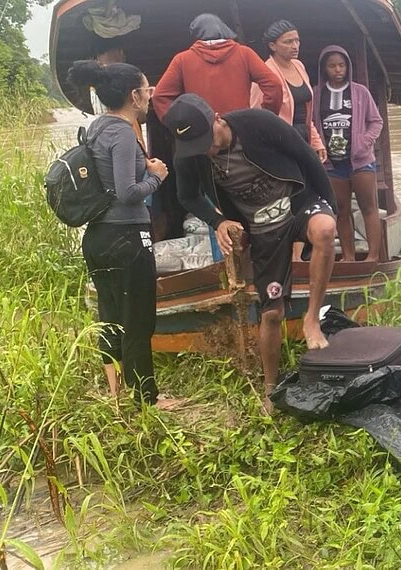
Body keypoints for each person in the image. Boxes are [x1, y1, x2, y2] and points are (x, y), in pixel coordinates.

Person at [164, 94, 337, 413]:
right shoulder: (189, 155)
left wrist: (331, 208)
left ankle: (312, 319)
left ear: (217, 117)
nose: (207, 150)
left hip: (298, 202)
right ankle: (270, 389)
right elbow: (187, 196)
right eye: (197, 147)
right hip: (261, 228)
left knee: (325, 230)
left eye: (208, 140)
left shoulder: (258, 123)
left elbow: (309, 159)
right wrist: (218, 220)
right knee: (271, 313)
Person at [66, 60, 177, 409]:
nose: (149, 95)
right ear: (134, 95)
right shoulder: (124, 132)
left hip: (97, 238)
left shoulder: (96, 128)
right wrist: (157, 175)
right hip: (127, 236)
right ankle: (147, 401)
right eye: (146, 89)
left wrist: (141, 166)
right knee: (138, 319)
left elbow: (107, 175)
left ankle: (115, 395)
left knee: (110, 316)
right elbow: (128, 192)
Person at [312, 46, 385, 262]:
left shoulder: (360, 92)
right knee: (341, 209)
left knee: (368, 207)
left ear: (347, 67)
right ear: (324, 68)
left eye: (341, 65)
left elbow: (376, 121)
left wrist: (364, 141)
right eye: (332, 66)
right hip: (333, 165)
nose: (337, 70)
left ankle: (373, 258)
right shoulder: (316, 93)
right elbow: (311, 124)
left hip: (360, 161)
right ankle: (349, 257)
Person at [152, 14, 283, 119]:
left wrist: (180, 124)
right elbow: (274, 84)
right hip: (240, 129)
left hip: (201, 135)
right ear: (225, 30)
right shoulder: (244, 53)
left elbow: (159, 96)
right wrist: (265, 115)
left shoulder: (182, 59)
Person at [252, 20, 326, 162]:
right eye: (288, 42)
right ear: (272, 45)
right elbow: (256, 115)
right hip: (280, 144)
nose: (295, 46)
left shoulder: (299, 66)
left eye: (297, 40)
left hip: (304, 139)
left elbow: (306, 114)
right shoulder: (264, 73)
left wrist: (316, 142)